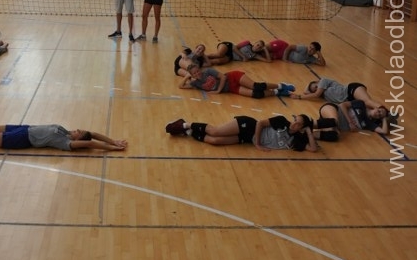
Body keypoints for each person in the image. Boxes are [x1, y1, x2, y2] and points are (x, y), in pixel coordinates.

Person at [0, 119, 128, 152]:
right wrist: (113, 140)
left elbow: (91, 142)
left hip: (22, 139)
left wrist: (111, 148)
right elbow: (93, 135)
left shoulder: (66, 142)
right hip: (24, 128)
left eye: (79, 132)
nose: (77, 129)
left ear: (78, 140)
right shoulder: (67, 132)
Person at [165, 113, 318, 152]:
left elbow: (313, 149)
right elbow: (260, 123)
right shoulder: (282, 121)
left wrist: (308, 132)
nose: (294, 123)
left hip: (247, 138)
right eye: (295, 119)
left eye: (298, 123)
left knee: (215, 141)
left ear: (301, 128)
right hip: (249, 126)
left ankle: (189, 132)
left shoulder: (296, 141)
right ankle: (184, 124)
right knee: (216, 131)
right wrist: (258, 144)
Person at [179, 63, 295, 98]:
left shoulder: (208, 71)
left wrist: (218, 91)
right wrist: (186, 76)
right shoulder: (196, 83)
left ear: (199, 69)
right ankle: (277, 92)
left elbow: (223, 77)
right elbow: (181, 86)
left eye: (197, 71)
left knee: (256, 86)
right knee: (256, 95)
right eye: (194, 73)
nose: (197, 73)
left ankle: (281, 85)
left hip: (232, 77)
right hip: (231, 88)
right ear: (192, 75)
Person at [313, 101, 390, 141]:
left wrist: (384, 118)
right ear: (376, 108)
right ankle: (310, 124)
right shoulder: (361, 104)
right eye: (379, 111)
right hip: (332, 109)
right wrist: (350, 122)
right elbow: (342, 105)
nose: (378, 114)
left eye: (379, 116)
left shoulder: (369, 124)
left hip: (334, 125)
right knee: (333, 122)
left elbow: (384, 131)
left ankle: (308, 134)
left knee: (334, 135)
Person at [291, 78, 383, 108]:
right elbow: (306, 92)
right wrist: (307, 92)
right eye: (314, 89)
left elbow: (315, 94)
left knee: (367, 102)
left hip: (351, 89)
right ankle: (385, 117)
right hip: (349, 99)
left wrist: (299, 97)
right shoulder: (323, 95)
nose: (316, 89)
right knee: (368, 107)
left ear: (317, 82)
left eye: (316, 86)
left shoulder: (323, 81)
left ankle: (387, 112)